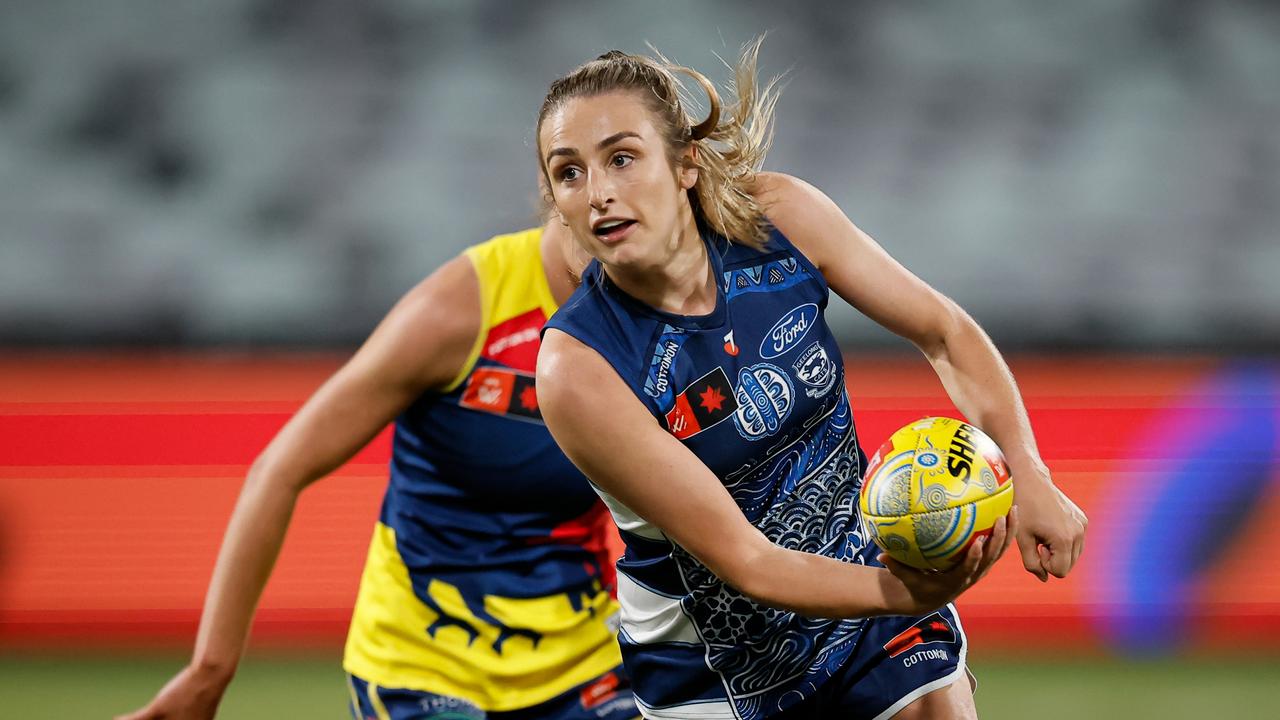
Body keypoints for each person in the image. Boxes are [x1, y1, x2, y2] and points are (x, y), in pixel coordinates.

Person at [534, 41, 1088, 720]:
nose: (599, 194)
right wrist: (910, 591)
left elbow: (942, 331)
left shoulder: (780, 220)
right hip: (718, 672)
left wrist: (1027, 473)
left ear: (685, 163)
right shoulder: (578, 370)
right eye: (569, 173)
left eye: (622, 157)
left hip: (865, 599)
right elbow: (749, 563)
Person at [117, 221, 640, 720]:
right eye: (573, 170)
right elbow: (277, 471)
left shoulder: (653, 317)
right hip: (425, 670)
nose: (604, 196)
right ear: (553, 189)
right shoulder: (460, 309)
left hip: (584, 661)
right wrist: (209, 671)